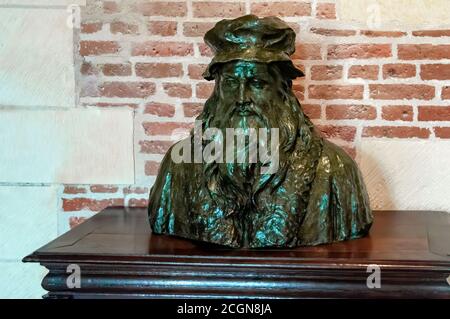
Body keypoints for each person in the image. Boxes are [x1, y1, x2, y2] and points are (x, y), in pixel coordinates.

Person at [148, 15, 373, 248]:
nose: (242, 98)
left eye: (257, 83)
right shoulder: (177, 168)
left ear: (283, 90)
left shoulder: (335, 169)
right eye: (231, 83)